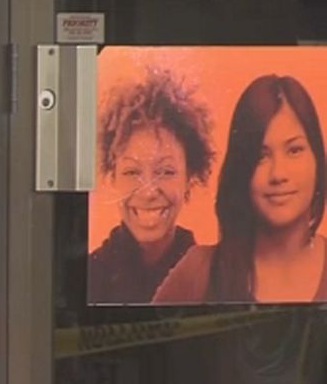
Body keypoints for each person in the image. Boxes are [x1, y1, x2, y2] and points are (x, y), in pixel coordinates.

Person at [154, 74, 327, 303]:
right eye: (261, 156)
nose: (278, 174)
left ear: (317, 159)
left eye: (294, 150)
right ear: (240, 169)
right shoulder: (199, 272)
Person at [89, 68, 216, 303]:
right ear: (112, 177)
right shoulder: (87, 278)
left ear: (189, 178)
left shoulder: (213, 278)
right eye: (132, 172)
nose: (148, 192)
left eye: (165, 171)